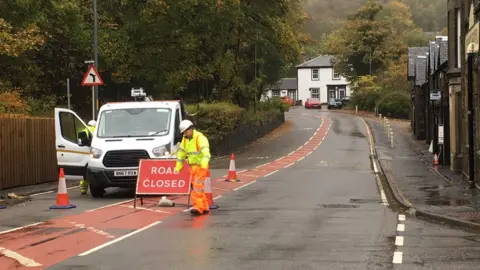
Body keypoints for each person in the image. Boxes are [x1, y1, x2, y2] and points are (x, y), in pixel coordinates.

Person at [174, 120, 211, 216]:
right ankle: (205, 207)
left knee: (197, 188)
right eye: (183, 132)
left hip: (201, 167)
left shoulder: (200, 138)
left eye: (186, 132)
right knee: (197, 188)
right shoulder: (185, 139)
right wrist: (178, 166)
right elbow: (181, 153)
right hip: (193, 167)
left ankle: (198, 208)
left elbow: (206, 152)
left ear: (191, 129)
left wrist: (204, 163)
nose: (184, 134)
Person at [79, 120, 96, 195]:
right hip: (93, 152)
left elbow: (79, 141)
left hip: (83, 152)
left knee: (84, 174)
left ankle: (83, 190)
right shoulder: (95, 130)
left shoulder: (83, 131)